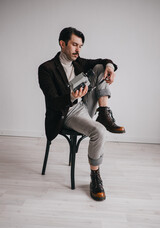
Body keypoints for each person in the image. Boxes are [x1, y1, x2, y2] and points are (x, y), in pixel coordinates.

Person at [38, 27, 125, 201]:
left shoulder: (77, 62)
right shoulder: (46, 68)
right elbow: (53, 102)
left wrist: (110, 67)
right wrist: (71, 96)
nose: (78, 50)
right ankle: (95, 176)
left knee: (100, 67)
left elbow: (105, 61)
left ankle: (103, 112)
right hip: (66, 112)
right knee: (99, 131)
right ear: (62, 44)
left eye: (81, 46)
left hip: (83, 103)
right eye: (74, 45)